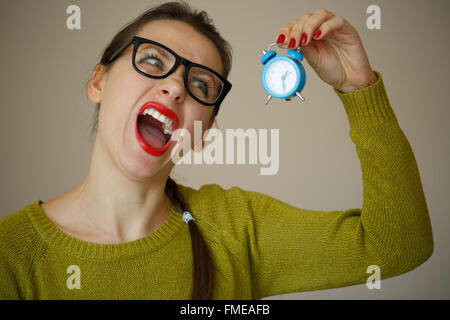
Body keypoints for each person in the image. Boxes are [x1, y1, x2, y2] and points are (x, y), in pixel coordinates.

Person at [0, 2, 433, 300]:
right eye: (152, 62)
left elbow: (394, 247)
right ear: (99, 81)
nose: (174, 88)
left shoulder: (236, 228)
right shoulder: (12, 254)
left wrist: (358, 86)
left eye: (200, 85)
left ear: (203, 132)